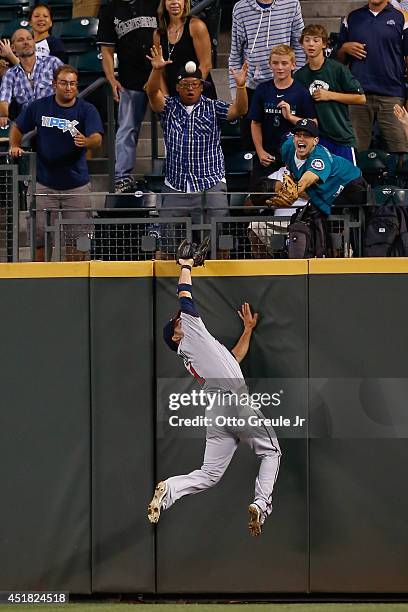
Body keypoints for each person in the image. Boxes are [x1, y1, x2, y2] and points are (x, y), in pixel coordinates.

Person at [148, 249, 281, 536]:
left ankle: (170, 488)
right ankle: (261, 504)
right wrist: (186, 266)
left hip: (217, 411)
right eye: (178, 323)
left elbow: (233, 358)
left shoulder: (196, 349)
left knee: (209, 475)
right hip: (234, 403)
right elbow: (185, 296)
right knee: (271, 452)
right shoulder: (191, 334)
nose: (182, 319)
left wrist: (247, 329)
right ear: (175, 335)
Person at [145, 45, 248, 253]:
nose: (190, 88)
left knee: (219, 246)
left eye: (194, 84)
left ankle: (218, 283)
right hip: (176, 185)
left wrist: (241, 87)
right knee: (168, 247)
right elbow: (152, 92)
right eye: (185, 85)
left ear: (202, 86)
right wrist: (156, 70)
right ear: (177, 87)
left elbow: (240, 109)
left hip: (210, 183)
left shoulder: (213, 106)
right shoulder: (169, 107)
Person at [8, 65, 103, 261]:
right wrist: (15, 145)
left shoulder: (86, 109)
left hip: (76, 186)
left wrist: (87, 142)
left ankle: (75, 283)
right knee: (40, 238)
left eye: (72, 84)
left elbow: (97, 138)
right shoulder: (40, 106)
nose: (68, 87)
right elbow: (17, 126)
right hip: (43, 185)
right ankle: (40, 283)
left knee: (77, 240)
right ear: (54, 84)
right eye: (64, 83)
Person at [97, 0, 158, 193]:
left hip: (160, 76)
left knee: (171, 124)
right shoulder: (109, 8)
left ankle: (176, 171)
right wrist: (111, 78)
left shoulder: (155, 2)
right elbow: (107, 50)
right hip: (130, 78)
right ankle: (121, 178)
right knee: (126, 129)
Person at [229, 0, 305, 149]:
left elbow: (299, 45)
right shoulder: (240, 7)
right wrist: (236, 95)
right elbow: (235, 53)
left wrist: (295, 82)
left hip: (285, 88)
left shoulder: (292, 4)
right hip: (252, 88)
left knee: (286, 143)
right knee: (250, 144)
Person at [337, 0, 408, 153]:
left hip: (392, 94)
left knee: (401, 151)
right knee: (355, 152)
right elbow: (338, 60)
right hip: (358, 95)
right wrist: (344, 48)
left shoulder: (402, 17)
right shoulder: (352, 18)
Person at [294, 24, 366, 163]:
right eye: (307, 40)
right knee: (321, 182)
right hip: (316, 140)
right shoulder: (299, 76)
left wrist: (330, 95)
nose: (311, 44)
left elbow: (361, 98)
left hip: (342, 136)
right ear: (301, 44)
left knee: (350, 182)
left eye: (316, 40)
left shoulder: (337, 68)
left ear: (324, 44)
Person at [248, 44, 316, 187]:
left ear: (293, 65)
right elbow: (255, 123)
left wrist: (291, 117)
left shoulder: (301, 92)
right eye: (275, 63)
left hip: (294, 155)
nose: (280, 67)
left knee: (294, 199)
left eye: (284, 63)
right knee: (256, 200)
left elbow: (313, 124)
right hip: (267, 156)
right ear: (270, 64)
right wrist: (260, 151)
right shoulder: (262, 90)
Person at [281, 119, 367, 216]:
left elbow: (307, 180)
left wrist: (291, 193)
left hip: (349, 184)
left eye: (306, 135)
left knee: (341, 222)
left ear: (315, 141)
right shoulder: (287, 147)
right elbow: (289, 166)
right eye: (298, 135)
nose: (301, 139)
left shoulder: (320, 157)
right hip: (325, 190)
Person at [154, 0, 216, 98]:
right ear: (164, 3)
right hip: (172, 95)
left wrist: (190, 92)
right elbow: (159, 71)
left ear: (185, 2)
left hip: (197, 94)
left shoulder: (196, 26)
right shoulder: (158, 34)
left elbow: (206, 65)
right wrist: (167, 98)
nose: (174, 2)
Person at [0, 29, 63, 126]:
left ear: (34, 43)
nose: (26, 42)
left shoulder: (53, 62)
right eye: (21, 40)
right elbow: (4, 100)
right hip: (29, 126)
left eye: (29, 39)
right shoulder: (10, 75)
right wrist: (3, 115)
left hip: (55, 120)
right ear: (13, 48)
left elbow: (70, 88)